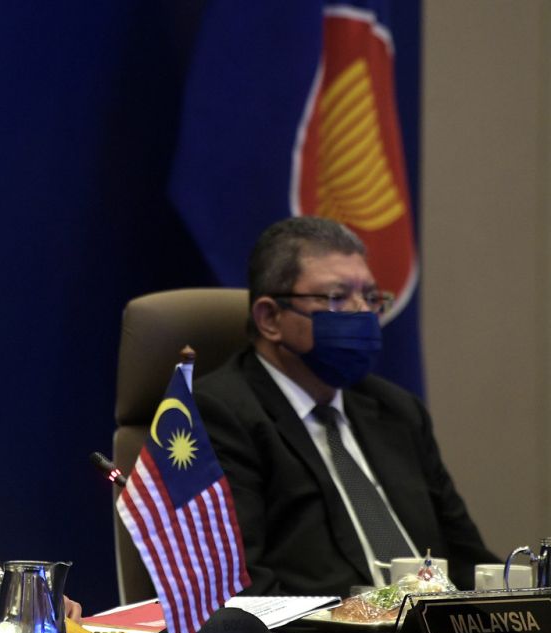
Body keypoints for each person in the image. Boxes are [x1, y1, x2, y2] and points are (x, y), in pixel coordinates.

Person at [193, 216, 497, 597]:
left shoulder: (397, 410)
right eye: (337, 298)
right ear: (270, 318)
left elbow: (468, 558)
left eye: (370, 297)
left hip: (437, 632)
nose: (363, 312)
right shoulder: (219, 414)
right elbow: (241, 583)